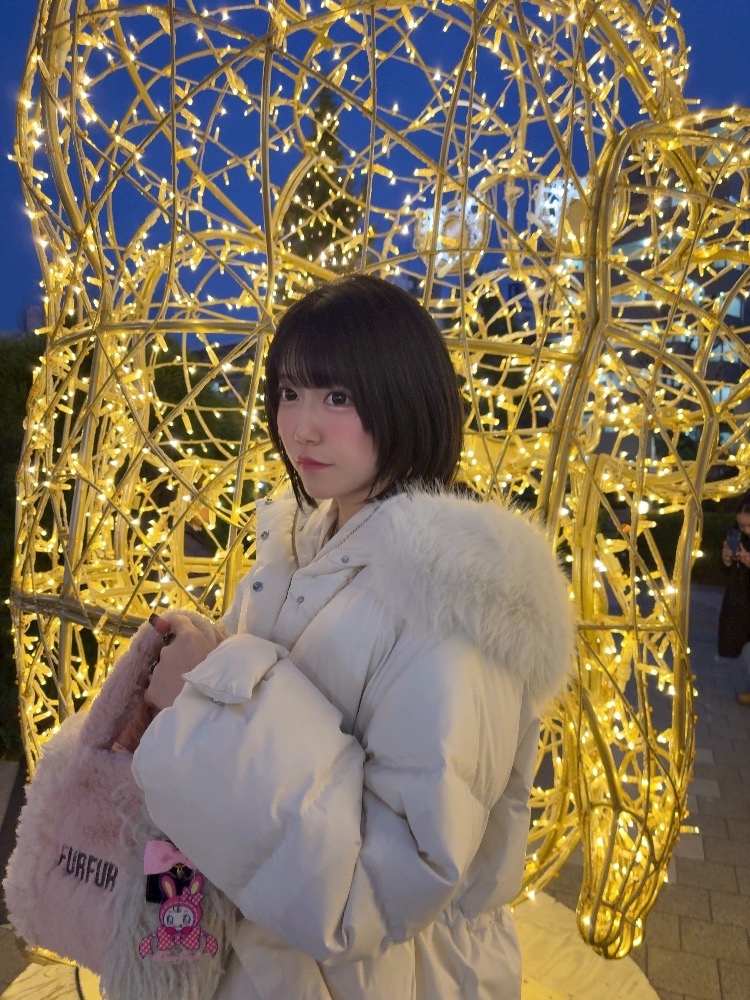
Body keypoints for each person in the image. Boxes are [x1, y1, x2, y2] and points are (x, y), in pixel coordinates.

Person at [131, 274, 575, 999]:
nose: (301, 427)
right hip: (267, 962)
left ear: (405, 396)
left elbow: (375, 890)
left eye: (337, 397)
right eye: (290, 392)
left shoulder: (453, 603)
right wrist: (204, 649)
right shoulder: (301, 546)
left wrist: (209, 691)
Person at [718, 491, 750, 704]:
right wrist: (727, 560)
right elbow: (726, 571)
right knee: (745, 646)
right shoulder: (737, 536)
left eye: (749, 525)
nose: (745, 530)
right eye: (741, 525)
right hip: (741, 601)